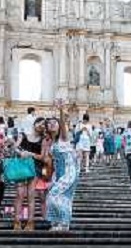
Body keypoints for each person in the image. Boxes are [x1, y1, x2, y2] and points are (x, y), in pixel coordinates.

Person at [46, 99, 80, 232]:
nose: (52, 124)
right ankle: (58, 223)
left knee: (54, 195)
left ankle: (64, 223)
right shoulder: (51, 142)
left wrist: (60, 110)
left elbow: (62, 124)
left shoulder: (63, 138)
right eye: (49, 123)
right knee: (62, 197)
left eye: (54, 123)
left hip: (70, 171)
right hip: (59, 172)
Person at [13, 117, 48, 231]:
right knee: (19, 194)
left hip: (35, 168)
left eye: (44, 125)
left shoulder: (43, 139)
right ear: (35, 123)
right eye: (40, 123)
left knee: (31, 195)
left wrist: (30, 154)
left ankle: (30, 221)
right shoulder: (23, 135)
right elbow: (15, 147)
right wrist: (21, 152)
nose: (41, 126)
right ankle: (17, 220)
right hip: (22, 167)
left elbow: (42, 157)